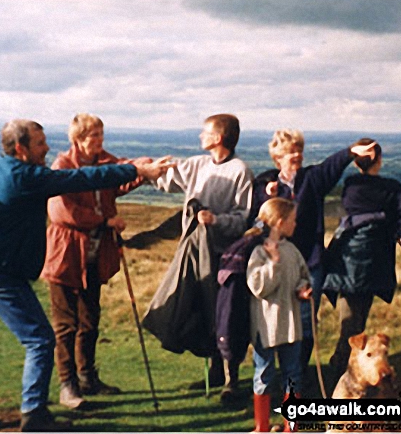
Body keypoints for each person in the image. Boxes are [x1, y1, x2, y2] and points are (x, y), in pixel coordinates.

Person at [0, 119, 172, 432]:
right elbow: (80, 179)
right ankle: (34, 416)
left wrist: (136, 169)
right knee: (39, 340)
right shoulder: (23, 176)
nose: (47, 147)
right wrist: (137, 171)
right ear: (21, 148)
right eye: (40, 143)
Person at [41, 113, 147, 409]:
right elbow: (63, 212)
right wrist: (106, 220)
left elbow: (122, 178)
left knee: (90, 320)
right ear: (78, 139)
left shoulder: (103, 161)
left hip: (95, 254)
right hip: (66, 254)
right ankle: (67, 385)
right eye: (94, 136)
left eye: (101, 135)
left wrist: (147, 170)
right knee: (66, 324)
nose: (99, 141)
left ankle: (88, 376)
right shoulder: (62, 166)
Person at [248, 130, 376, 375]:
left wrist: (351, 152)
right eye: (289, 152)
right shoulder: (265, 183)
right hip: (274, 262)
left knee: (305, 322)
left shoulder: (311, 179)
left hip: (309, 263)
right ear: (277, 157)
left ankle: (299, 373)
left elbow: (331, 166)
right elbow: (255, 222)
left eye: (299, 151)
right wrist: (267, 198)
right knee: (271, 319)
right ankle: (267, 376)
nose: (296, 155)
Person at [147, 113, 253, 400]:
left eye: (205, 132)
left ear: (218, 138)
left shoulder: (240, 171)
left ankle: (232, 380)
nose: (200, 136)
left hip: (225, 257)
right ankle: (216, 372)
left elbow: (243, 218)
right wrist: (143, 169)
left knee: (225, 316)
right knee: (202, 313)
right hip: (195, 253)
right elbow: (166, 180)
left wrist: (216, 220)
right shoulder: (197, 164)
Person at [323, 138, 401, 380]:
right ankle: (342, 369)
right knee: (355, 322)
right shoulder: (391, 188)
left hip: (345, 259)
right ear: (379, 161)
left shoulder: (351, 185)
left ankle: (346, 368)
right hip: (374, 263)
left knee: (350, 319)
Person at [246, 198, 312, 432]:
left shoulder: (292, 250)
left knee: (292, 376)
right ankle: (261, 427)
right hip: (266, 327)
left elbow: (303, 275)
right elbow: (258, 287)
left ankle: (290, 428)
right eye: (293, 220)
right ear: (281, 222)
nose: (296, 224)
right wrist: (273, 263)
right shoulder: (258, 251)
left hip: (291, 325)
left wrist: (303, 288)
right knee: (263, 374)